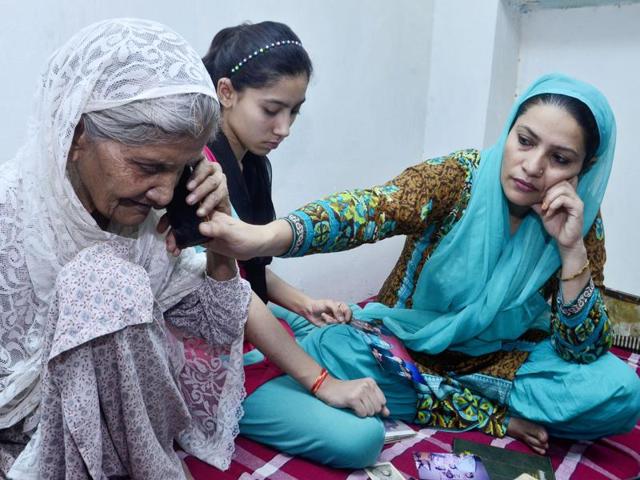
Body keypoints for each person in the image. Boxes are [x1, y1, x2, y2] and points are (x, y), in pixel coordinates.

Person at [0, 18, 386, 479]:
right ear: (78, 133)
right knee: (102, 278)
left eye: (179, 169)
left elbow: (217, 322)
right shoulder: (15, 218)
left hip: (140, 420)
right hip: (32, 439)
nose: (164, 194)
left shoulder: (157, 210)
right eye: (147, 166)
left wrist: (220, 242)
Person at [202, 73, 640, 465]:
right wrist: (266, 237)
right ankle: (485, 409)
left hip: (501, 356)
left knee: (620, 392)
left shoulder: (577, 220)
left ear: (586, 168)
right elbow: (372, 209)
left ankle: (460, 400)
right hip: (406, 344)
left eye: (560, 159)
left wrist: (571, 252)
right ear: (509, 132)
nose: (533, 166)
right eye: (525, 141)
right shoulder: (460, 179)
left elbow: (583, 349)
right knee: (335, 345)